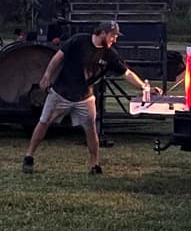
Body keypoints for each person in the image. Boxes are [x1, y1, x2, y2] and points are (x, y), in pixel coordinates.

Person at [22, 20, 149, 175]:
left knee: (91, 129)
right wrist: (47, 75)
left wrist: (144, 87)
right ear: (102, 33)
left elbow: (127, 73)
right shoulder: (78, 41)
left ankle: (94, 165)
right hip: (61, 93)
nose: (114, 39)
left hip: (85, 97)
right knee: (44, 122)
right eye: (113, 36)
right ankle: (29, 156)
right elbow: (58, 57)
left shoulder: (110, 55)